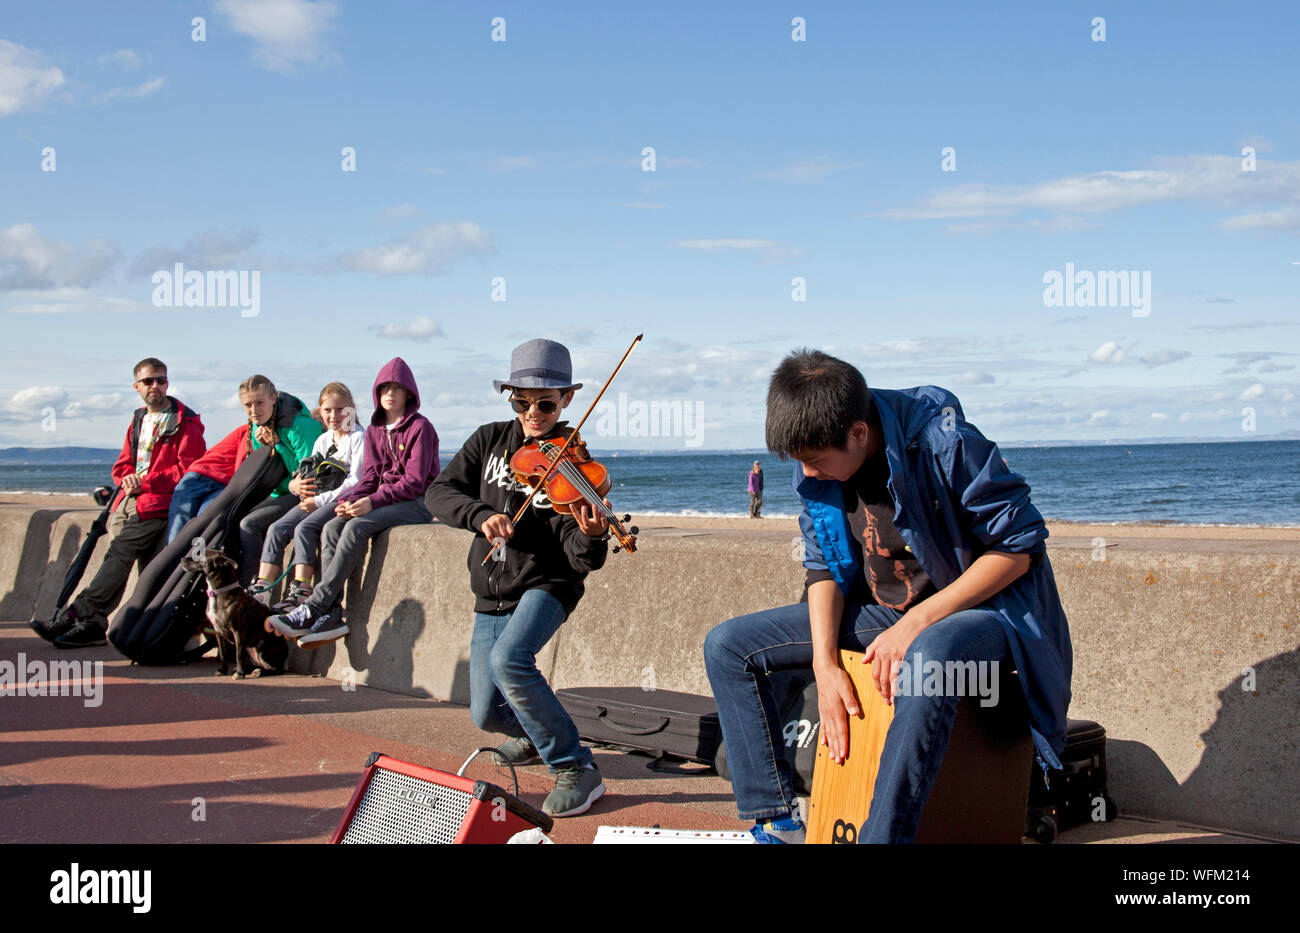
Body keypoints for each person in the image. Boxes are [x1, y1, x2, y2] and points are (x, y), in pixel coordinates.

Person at [703, 349, 1072, 843]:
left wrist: (917, 624)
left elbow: (1019, 549)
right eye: (800, 463)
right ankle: (777, 821)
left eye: (815, 462)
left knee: (929, 655)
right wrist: (824, 664)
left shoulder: (946, 442)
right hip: (890, 612)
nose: (807, 475)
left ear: (858, 432)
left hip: (985, 614)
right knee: (728, 645)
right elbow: (823, 567)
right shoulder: (815, 462)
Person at [425, 338, 610, 818]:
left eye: (546, 404)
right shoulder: (488, 440)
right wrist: (479, 514)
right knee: (485, 712)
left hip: (547, 585)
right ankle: (533, 734)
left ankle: (576, 767)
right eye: (521, 402)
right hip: (492, 589)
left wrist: (592, 535)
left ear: (567, 400)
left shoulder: (575, 468)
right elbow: (438, 492)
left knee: (511, 660)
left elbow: (579, 558)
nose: (533, 413)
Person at [33, 358, 205, 648]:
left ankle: (78, 611)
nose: (156, 386)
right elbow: (123, 464)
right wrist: (125, 479)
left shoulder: (185, 422)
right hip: (125, 504)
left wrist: (145, 482)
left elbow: (189, 471)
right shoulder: (138, 419)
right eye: (149, 381)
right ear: (136, 386)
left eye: (161, 380)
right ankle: (95, 627)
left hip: (154, 506)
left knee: (118, 556)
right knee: (123, 564)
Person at [267, 358, 438, 646]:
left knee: (357, 528)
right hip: (384, 499)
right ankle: (332, 614)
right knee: (334, 526)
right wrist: (348, 501)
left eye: (398, 388)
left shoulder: (420, 427)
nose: (390, 393)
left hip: (417, 503)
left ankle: (316, 605)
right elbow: (369, 478)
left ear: (409, 392)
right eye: (385, 387)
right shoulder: (374, 430)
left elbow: (414, 482)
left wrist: (372, 502)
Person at [250, 383, 366, 610]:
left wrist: (319, 501)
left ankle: (302, 589)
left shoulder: (357, 437)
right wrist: (297, 488)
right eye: (328, 410)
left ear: (351, 409)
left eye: (341, 409)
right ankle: (262, 590)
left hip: (338, 499)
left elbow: (356, 481)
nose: (334, 416)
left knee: (305, 528)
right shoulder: (323, 441)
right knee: (277, 528)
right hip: (316, 497)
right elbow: (307, 473)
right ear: (320, 412)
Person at [234, 375, 323, 586]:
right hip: (280, 490)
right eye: (248, 405)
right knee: (232, 516)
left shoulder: (300, 426)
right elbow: (267, 475)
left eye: (259, 403)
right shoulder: (257, 427)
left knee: (250, 524)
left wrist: (279, 445)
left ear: (273, 398)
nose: (254, 410)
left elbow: (308, 479)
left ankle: (252, 585)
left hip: (306, 495)